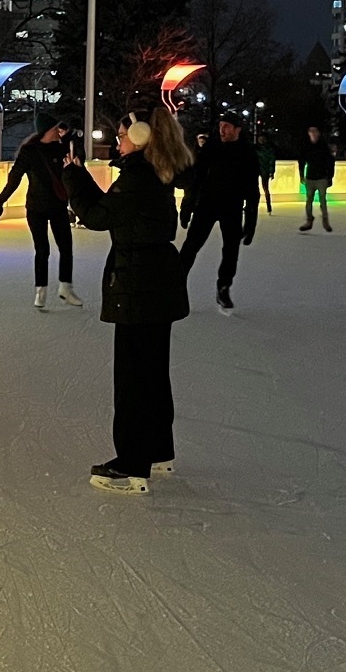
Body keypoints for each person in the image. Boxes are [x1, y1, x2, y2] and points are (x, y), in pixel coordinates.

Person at [66, 104, 192, 494]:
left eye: (122, 135)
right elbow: (109, 210)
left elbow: (98, 216)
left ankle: (132, 464)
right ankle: (157, 451)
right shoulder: (153, 173)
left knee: (134, 378)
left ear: (139, 139)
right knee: (152, 373)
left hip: (139, 282)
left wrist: (73, 176)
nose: (118, 141)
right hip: (156, 281)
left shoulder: (138, 177)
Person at [0, 109, 82, 309]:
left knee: (66, 247)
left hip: (58, 206)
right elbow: (14, 179)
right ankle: (40, 291)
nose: (58, 131)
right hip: (36, 208)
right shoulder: (29, 152)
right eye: (55, 128)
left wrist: (71, 140)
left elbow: (76, 169)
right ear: (47, 130)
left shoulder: (60, 149)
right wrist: (0, 202)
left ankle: (65, 287)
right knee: (42, 250)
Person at [179, 110, 259, 314]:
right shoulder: (211, 148)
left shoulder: (247, 153)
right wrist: (187, 206)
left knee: (231, 250)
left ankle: (223, 287)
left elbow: (252, 189)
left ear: (237, 129)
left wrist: (251, 222)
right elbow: (196, 180)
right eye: (220, 126)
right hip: (206, 206)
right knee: (191, 246)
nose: (222, 130)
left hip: (231, 208)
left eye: (227, 127)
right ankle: (176, 285)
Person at [297, 124, 337, 232]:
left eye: (315, 131)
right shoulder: (306, 146)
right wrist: (301, 174)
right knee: (309, 200)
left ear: (318, 134)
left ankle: (325, 220)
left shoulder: (323, 146)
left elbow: (330, 162)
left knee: (322, 200)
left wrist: (330, 177)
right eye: (311, 132)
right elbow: (301, 161)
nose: (313, 134)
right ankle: (309, 219)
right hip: (310, 177)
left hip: (321, 177)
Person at [254, 129, 276, 214]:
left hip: (263, 171)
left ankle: (269, 206)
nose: (261, 140)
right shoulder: (257, 148)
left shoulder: (266, 149)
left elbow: (272, 160)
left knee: (265, 189)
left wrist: (272, 171)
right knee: (262, 189)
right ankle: (268, 207)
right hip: (259, 170)